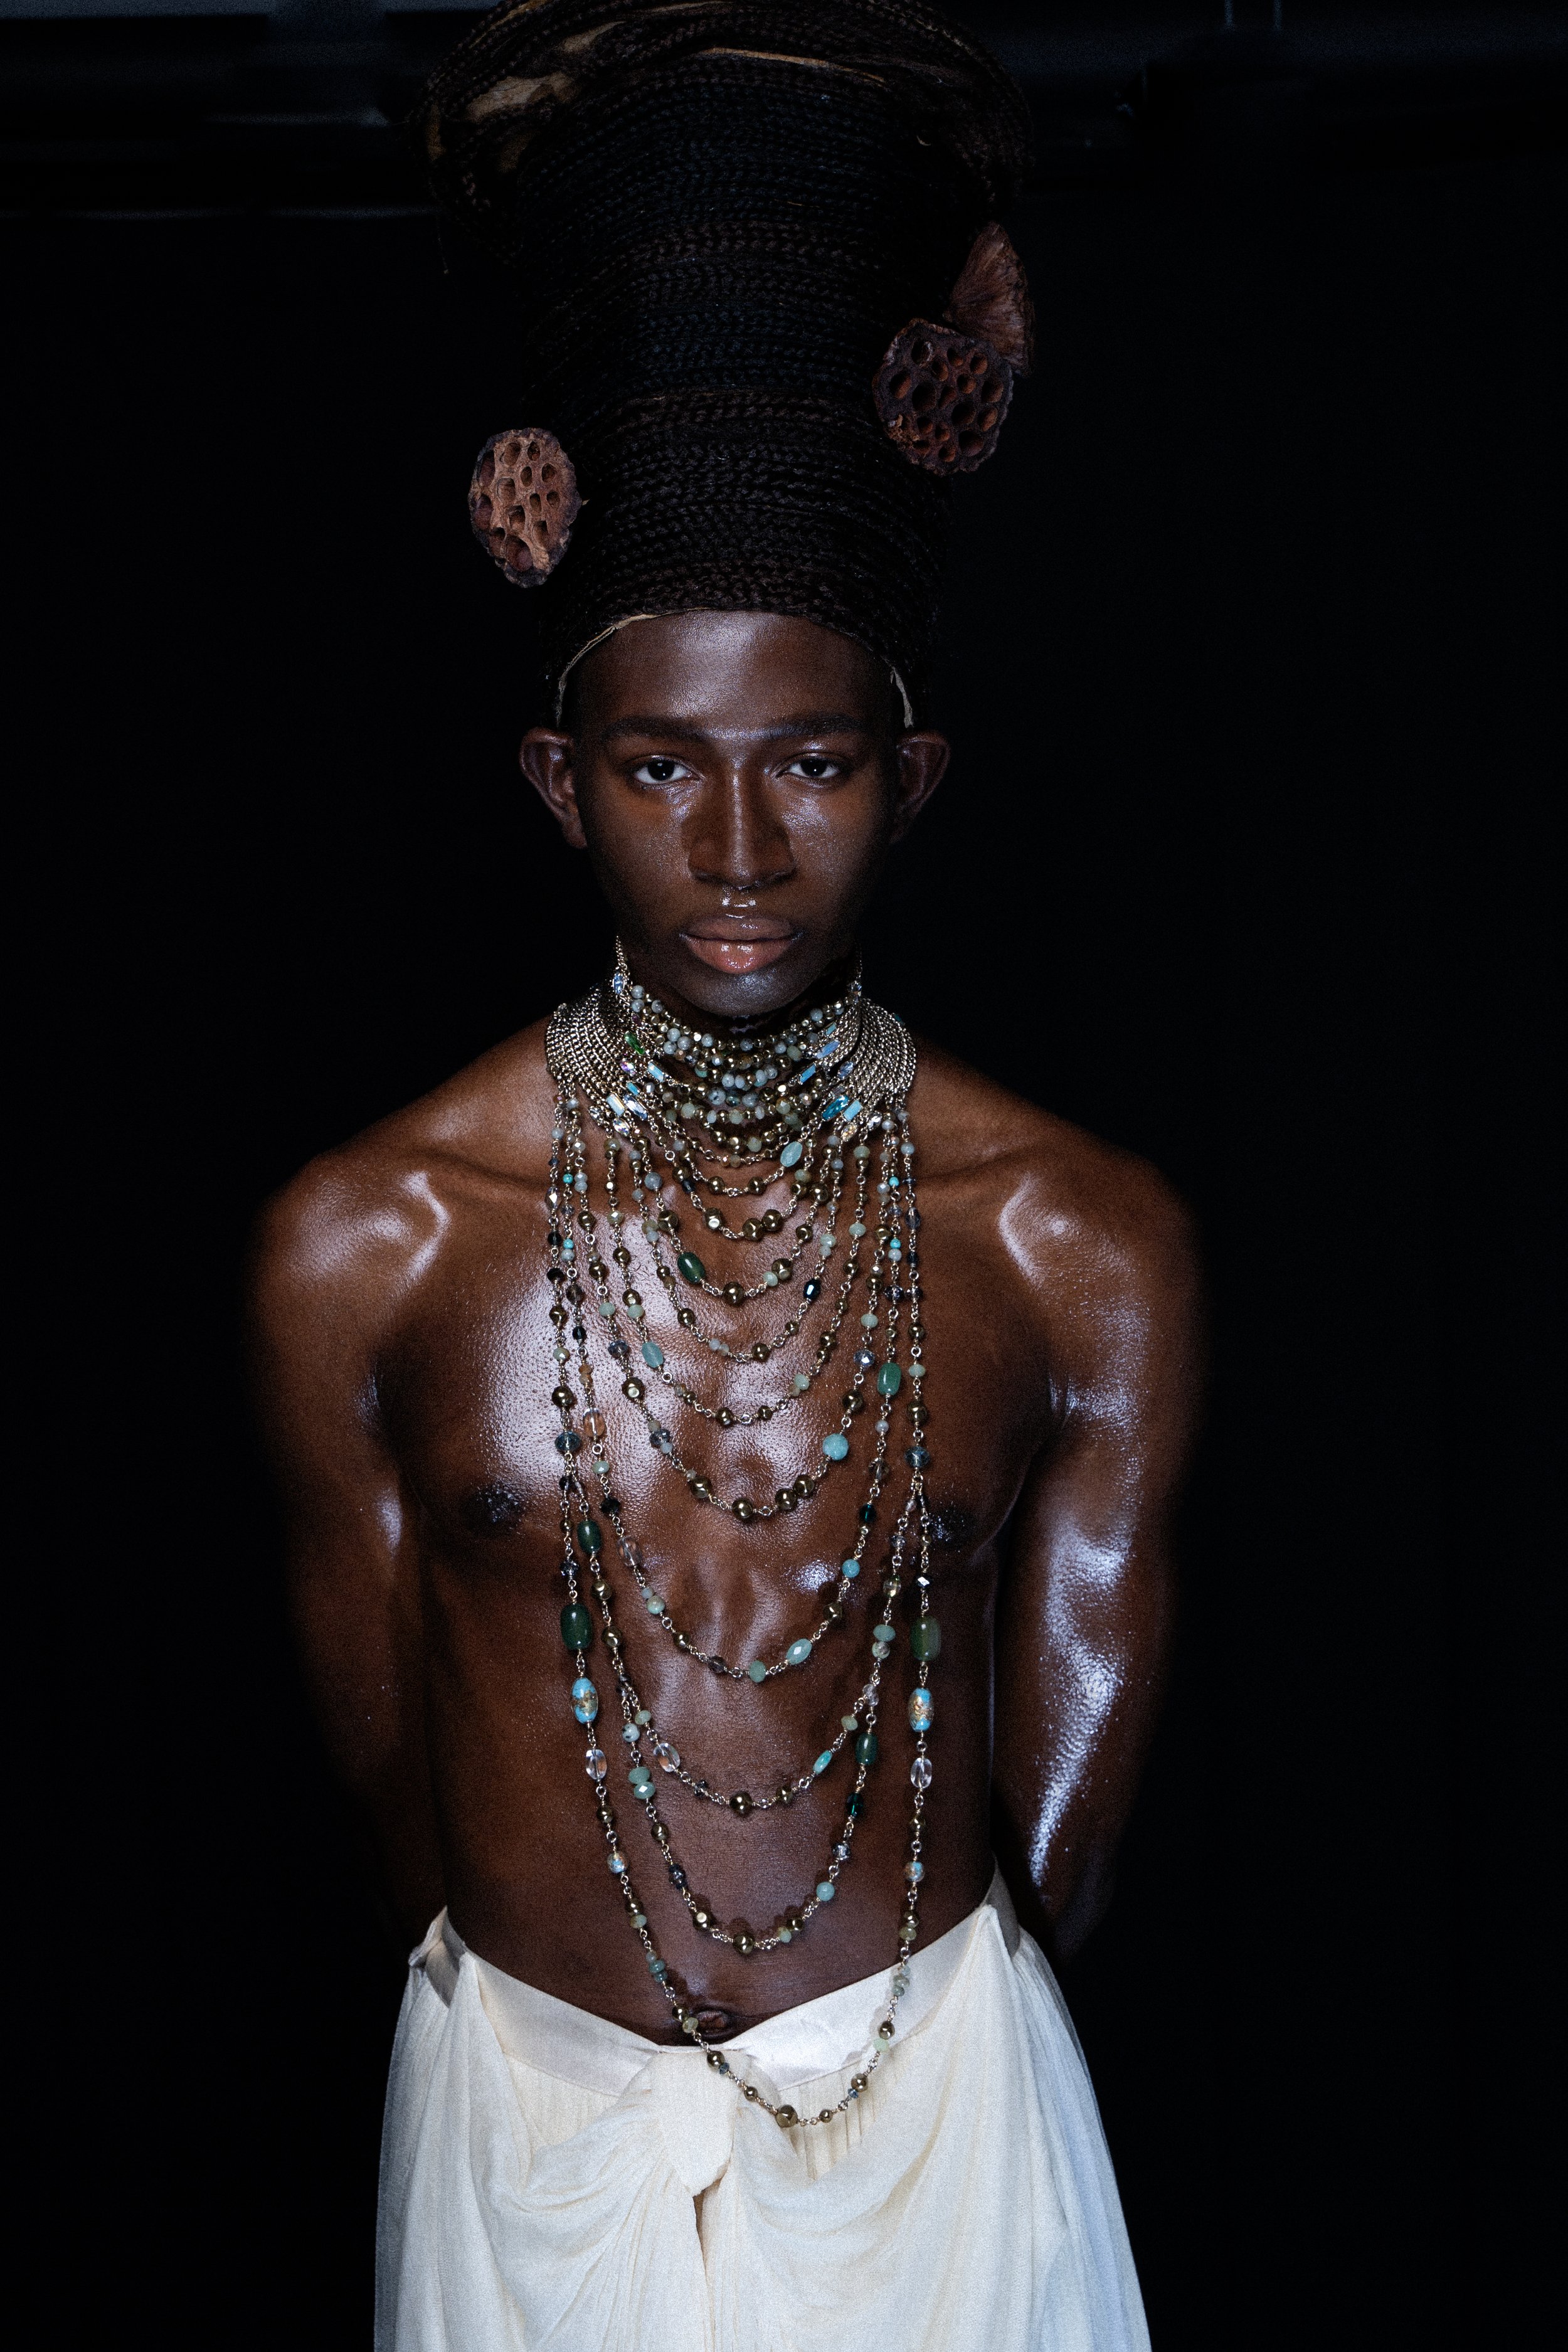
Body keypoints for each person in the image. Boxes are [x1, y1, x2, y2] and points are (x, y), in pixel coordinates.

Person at [250, 4, 1202, 2344]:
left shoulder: (1069, 1240)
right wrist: (549, 2038)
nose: (744, 845)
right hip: (526, 2137)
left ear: (913, 774)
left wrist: (903, 2062)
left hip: (943, 2127)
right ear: (557, 781)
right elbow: (384, 1775)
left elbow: (1060, 1837)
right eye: (663, 766)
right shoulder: (372, 1243)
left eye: (814, 764)